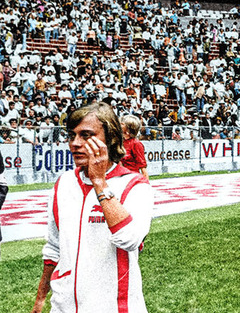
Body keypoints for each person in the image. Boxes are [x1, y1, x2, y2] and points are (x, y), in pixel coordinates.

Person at [32, 102, 154, 312]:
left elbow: (129, 239)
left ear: (111, 138)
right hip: (63, 307)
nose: (75, 143)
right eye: (72, 135)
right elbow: (54, 248)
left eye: (86, 135)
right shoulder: (64, 183)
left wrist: (99, 183)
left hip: (113, 306)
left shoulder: (135, 186)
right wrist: (40, 299)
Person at [121, 115, 148, 180]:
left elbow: (143, 167)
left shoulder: (136, 144)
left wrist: (146, 185)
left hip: (131, 178)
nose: (120, 125)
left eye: (122, 124)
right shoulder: (120, 141)